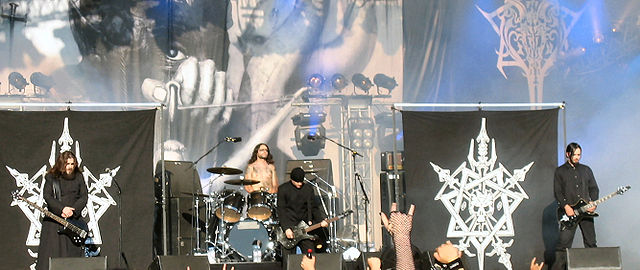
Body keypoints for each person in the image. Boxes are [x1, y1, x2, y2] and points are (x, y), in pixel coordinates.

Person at [35, 151, 89, 270]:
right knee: (53, 253)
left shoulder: (79, 177)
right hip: (55, 222)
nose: (70, 167)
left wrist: (73, 211)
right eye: (67, 164)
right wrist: (62, 209)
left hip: (73, 221)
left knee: (72, 255)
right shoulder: (51, 177)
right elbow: (47, 196)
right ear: (61, 163)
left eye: (72, 164)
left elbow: (84, 196)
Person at [552, 142, 599, 270]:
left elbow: (594, 188)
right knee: (563, 246)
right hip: (569, 214)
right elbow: (557, 192)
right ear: (568, 154)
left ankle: (594, 267)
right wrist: (566, 206)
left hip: (585, 213)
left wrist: (593, 202)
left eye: (579, 154)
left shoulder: (586, 170)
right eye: (575, 154)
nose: (577, 157)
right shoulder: (560, 171)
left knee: (591, 243)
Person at [277, 167, 328, 257]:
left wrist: (321, 220)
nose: (299, 184)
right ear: (292, 179)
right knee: (289, 260)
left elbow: (314, 208)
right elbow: (281, 210)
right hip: (290, 228)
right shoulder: (283, 189)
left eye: (301, 182)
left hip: (304, 228)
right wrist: (286, 228)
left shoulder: (308, 189)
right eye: (297, 182)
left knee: (311, 255)